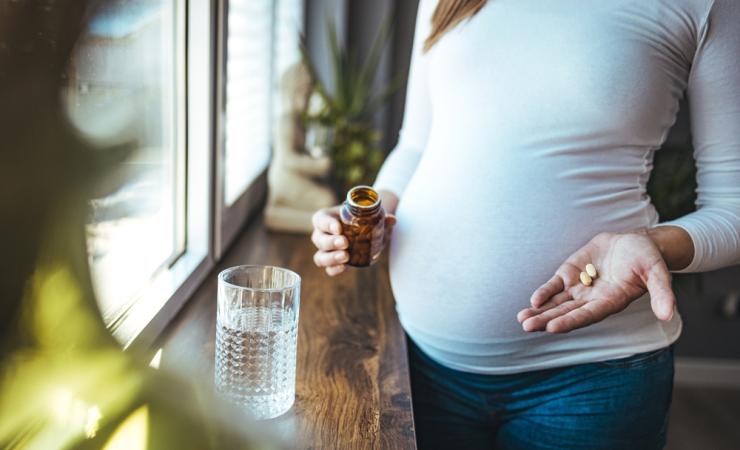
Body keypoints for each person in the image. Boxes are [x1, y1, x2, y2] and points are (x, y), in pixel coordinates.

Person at [311, 0, 740, 448]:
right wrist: (373, 215)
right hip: (417, 361)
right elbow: (417, 146)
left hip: (592, 382)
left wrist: (652, 242)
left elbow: (734, 208)